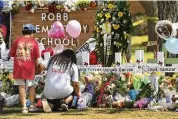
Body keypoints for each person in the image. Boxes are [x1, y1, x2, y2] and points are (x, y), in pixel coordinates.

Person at [9, 24, 40, 114]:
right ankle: (31, 106)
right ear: (31, 33)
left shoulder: (17, 41)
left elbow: (11, 54)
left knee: (21, 86)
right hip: (30, 67)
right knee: (31, 86)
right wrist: (37, 67)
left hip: (19, 66)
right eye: (33, 33)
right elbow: (36, 58)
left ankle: (23, 108)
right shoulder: (34, 42)